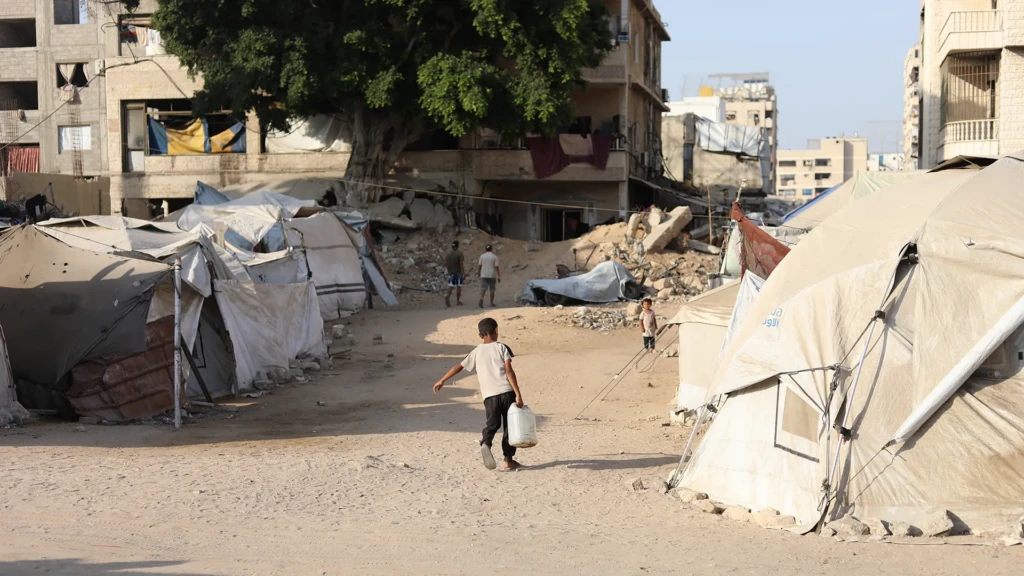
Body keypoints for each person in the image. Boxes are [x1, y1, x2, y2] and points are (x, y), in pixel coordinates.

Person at [432, 317, 524, 471]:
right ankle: (508, 460)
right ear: (496, 331)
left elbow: (459, 366)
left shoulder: (476, 351)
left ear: (480, 335)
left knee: (492, 424)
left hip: (489, 396)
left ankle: (486, 442)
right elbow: (509, 371)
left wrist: (442, 380)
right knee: (510, 426)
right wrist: (518, 394)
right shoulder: (502, 347)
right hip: (507, 392)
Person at [445, 240, 465, 308]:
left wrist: (449, 271)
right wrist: (463, 273)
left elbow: (447, 264)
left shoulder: (449, 254)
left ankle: (447, 296)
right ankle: (457, 301)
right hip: (458, 272)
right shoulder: (459, 253)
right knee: (458, 286)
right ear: (458, 245)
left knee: (451, 286)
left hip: (451, 273)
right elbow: (461, 264)